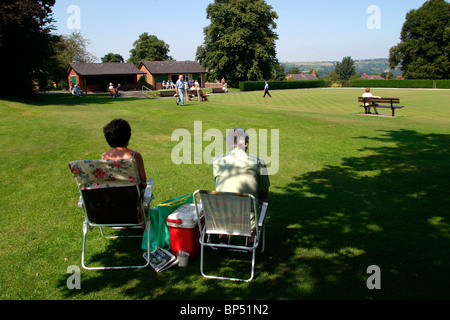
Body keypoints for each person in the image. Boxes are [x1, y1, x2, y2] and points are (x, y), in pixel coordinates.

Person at [212, 128, 270, 246]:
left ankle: (222, 236)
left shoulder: (217, 161)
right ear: (246, 144)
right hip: (248, 220)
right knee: (260, 202)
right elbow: (264, 193)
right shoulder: (259, 162)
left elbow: (219, 187)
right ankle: (251, 239)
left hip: (222, 218)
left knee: (223, 196)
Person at [101, 119, 147, 193]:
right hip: (131, 199)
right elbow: (143, 180)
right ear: (128, 136)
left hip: (109, 198)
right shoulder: (135, 156)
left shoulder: (104, 156)